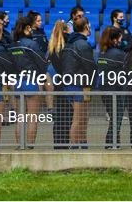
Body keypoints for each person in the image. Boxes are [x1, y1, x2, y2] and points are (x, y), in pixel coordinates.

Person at [9, 17, 48, 148]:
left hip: (17, 82)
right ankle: (30, 146)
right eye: (31, 28)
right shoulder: (32, 44)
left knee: (20, 118)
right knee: (32, 117)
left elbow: (10, 66)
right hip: (32, 81)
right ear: (27, 28)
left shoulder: (13, 46)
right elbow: (43, 63)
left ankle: (20, 146)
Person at [61, 17, 96, 149]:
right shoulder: (83, 44)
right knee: (78, 118)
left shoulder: (69, 43)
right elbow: (90, 66)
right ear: (86, 26)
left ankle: (82, 144)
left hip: (70, 84)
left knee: (82, 117)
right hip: (79, 85)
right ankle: (75, 147)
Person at [96, 27, 126, 148]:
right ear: (114, 39)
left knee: (113, 117)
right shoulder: (119, 54)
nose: (121, 39)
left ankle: (114, 143)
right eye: (119, 37)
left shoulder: (101, 53)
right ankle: (111, 144)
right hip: (116, 90)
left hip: (104, 89)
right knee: (117, 118)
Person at [47, 20, 73, 149]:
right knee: (69, 116)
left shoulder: (52, 47)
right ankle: (65, 143)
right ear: (65, 31)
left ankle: (58, 143)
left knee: (59, 117)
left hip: (59, 82)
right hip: (68, 82)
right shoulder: (68, 46)